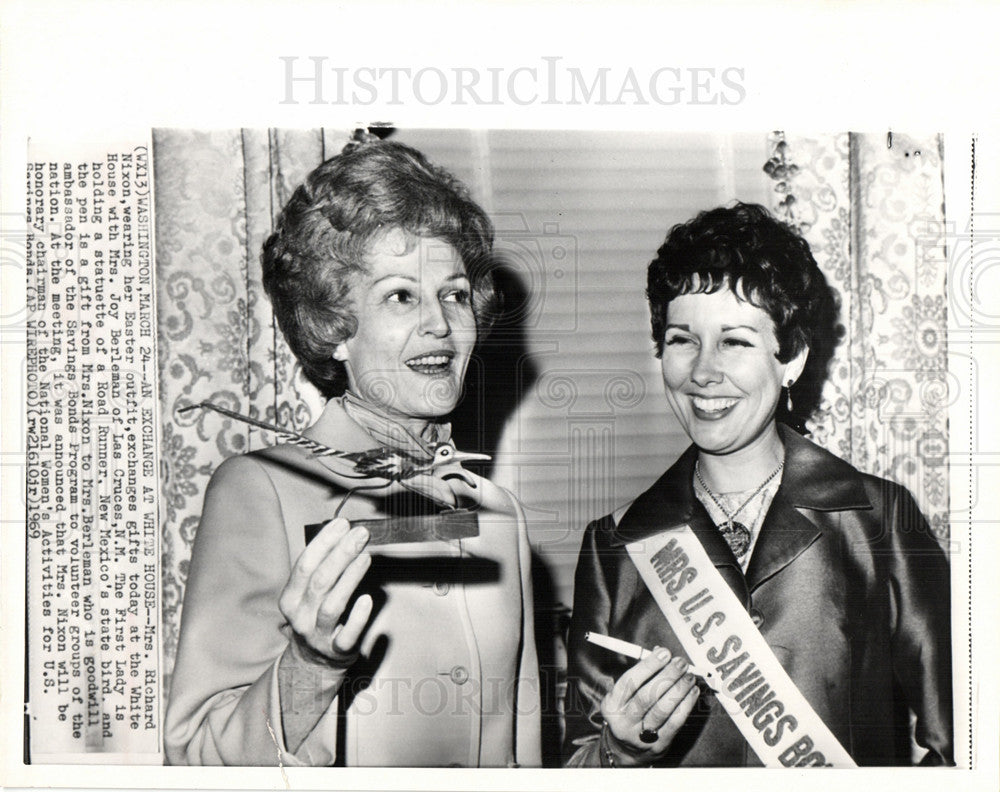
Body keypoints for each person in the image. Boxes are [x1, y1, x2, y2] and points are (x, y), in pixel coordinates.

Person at [165, 137, 541, 767]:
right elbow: (194, 755)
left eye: (453, 294)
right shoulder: (263, 490)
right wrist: (309, 666)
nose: (440, 325)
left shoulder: (498, 515)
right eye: (400, 296)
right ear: (334, 326)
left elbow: (521, 762)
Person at [563, 202, 952, 767]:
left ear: (790, 356)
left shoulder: (879, 518)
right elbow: (579, 759)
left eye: (735, 341)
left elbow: (963, 736)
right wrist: (618, 749)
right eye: (681, 339)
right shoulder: (616, 545)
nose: (702, 372)